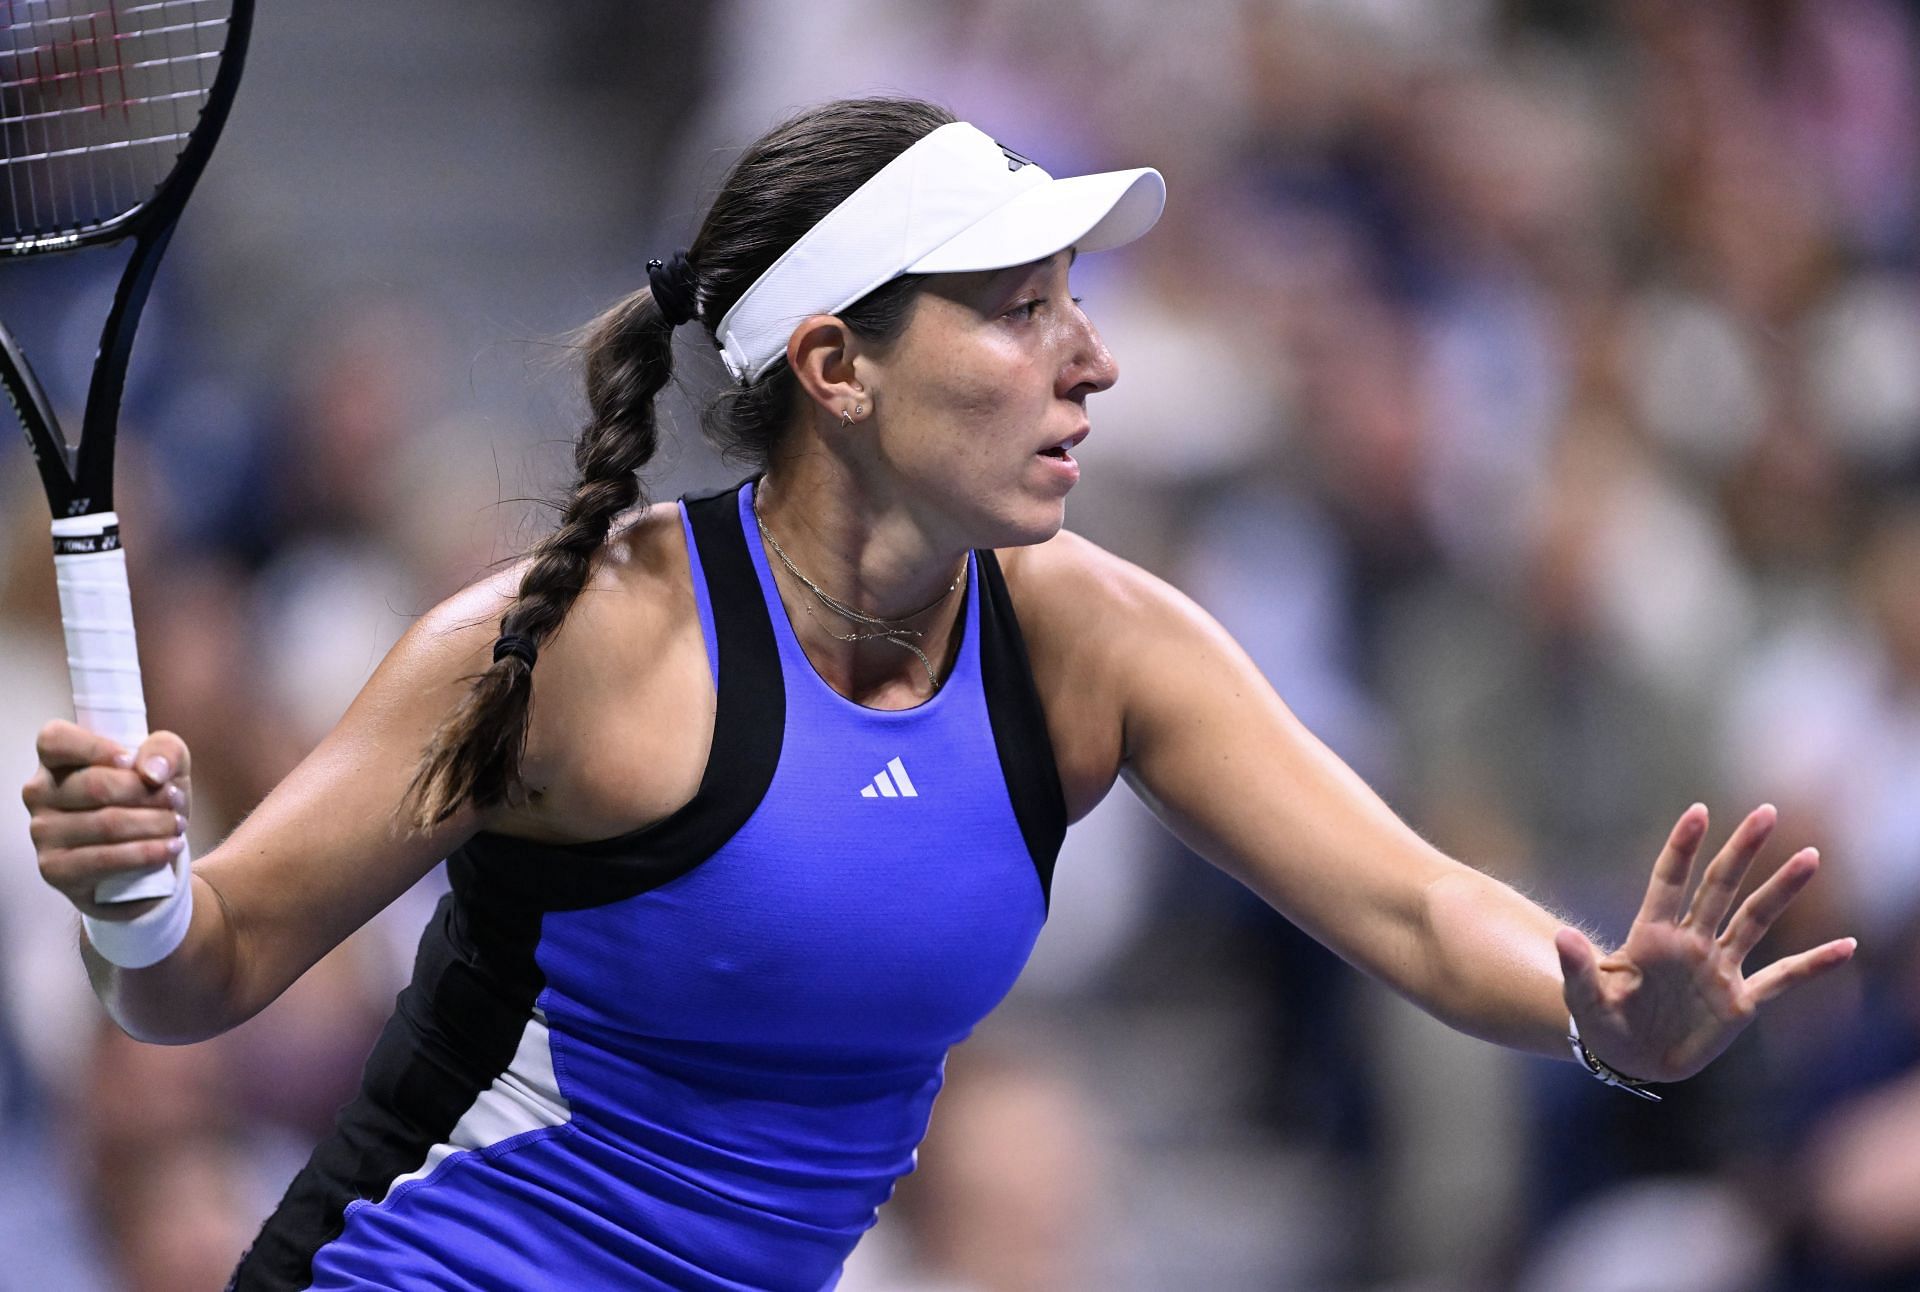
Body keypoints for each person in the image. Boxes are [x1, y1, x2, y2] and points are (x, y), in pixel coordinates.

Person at [22, 96, 1855, 1292]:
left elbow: (1414, 902)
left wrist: (1603, 1012)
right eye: (1018, 310)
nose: (1095, 360)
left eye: (1078, 303)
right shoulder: (580, 642)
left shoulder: (1097, 645)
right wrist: (136, 887)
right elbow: (197, 981)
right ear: (836, 367)